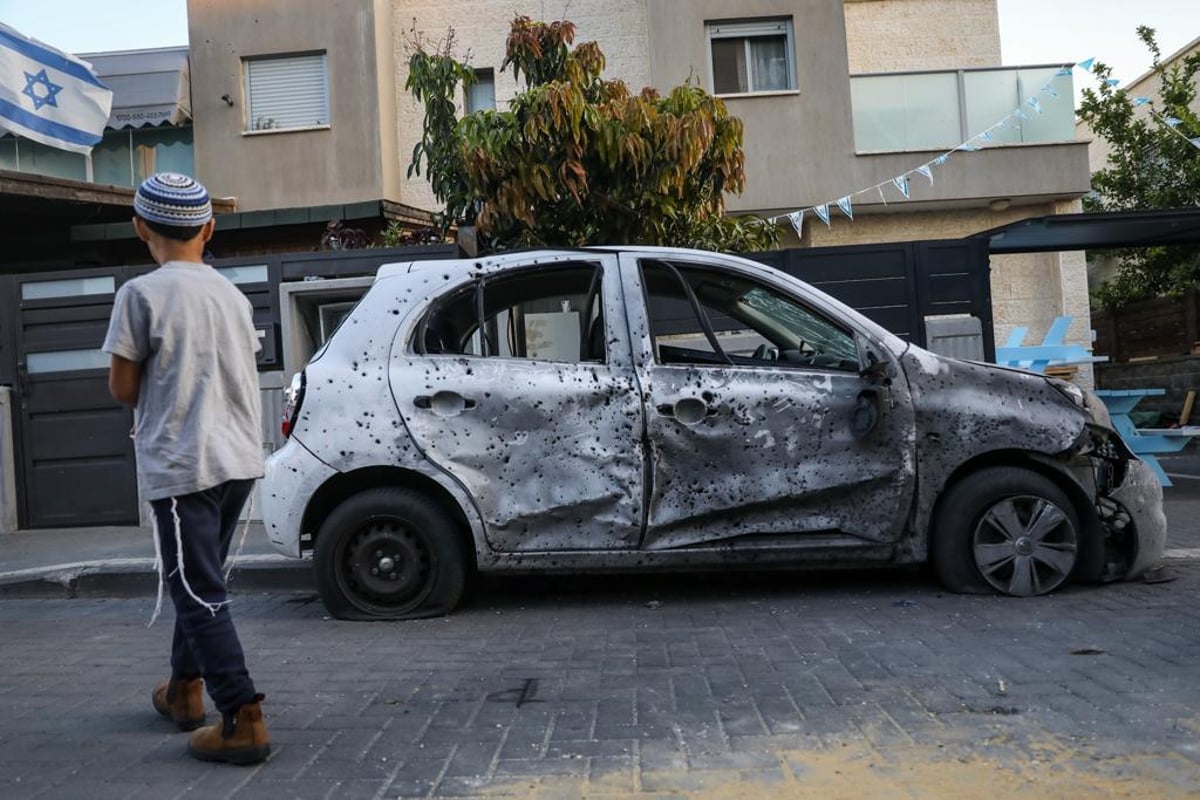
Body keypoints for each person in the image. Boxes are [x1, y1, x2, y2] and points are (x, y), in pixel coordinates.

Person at [103, 173, 270, 765]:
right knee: (201, 581)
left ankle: (242, 716)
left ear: (140, 227)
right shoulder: (232, 294)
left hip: (183, 461)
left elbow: (123, 386)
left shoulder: (141, 294)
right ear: (209, 228)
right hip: (238, 459)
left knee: (197, 590)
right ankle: (183, 692)